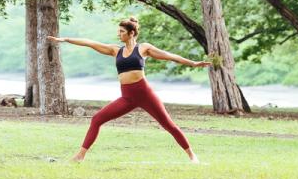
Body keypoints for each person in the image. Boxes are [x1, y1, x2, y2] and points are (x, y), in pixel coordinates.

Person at [48, 16, 208, 163]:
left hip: (145, 94)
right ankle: (80, 156)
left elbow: (170, 56)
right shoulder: (115, 50)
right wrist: (65, 39)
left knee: (169, 125)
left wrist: (193, 63)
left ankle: (192, 156)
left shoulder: (143, 48)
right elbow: (90, 43)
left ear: (131, 33)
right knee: (96, 119)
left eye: (121, 31)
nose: (119, 34)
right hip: (127, 97)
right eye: (118, 31)